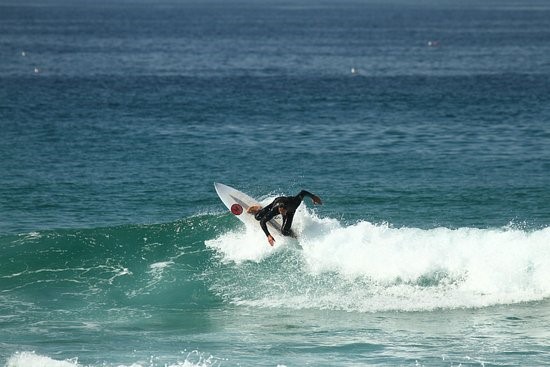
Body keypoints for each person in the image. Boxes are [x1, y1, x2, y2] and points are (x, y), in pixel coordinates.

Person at [247, 190, 322, 246]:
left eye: (283, 212)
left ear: (286, 209)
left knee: (284, 232)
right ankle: (258, 208)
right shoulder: (275, 209)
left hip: (290, 210)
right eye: (280, 212)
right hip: (277, 202)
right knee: (258, 217)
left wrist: (313, 197)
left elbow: (303, 192)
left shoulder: (295, 203)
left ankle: (295, 236)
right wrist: (268, 236)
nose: (281, 213)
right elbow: (262, 222)